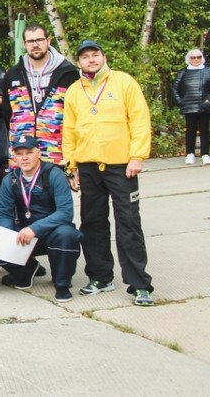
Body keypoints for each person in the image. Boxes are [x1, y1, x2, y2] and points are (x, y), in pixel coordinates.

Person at [63, 40, 155, 306]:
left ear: (103, 57)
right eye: (85, 57)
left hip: (121, 166)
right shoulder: (73, 91)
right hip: (88, 165)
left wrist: (137, 156)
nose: (90, 60)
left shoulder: (124, 82)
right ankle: (101, 277)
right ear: (78, 62)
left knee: (128, 223)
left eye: (95, 55)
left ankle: (139, 285)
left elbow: (139, 120)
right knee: (92, 222)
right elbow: (68, 130)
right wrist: (72, 165)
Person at [0, 134, 82, 302]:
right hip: (25, 235)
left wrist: (35, 229)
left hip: (52, 231)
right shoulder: (10, 179)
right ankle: (26, 273)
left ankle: (61, 284)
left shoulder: (54, 174)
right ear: (14, 157)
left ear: (38, 153)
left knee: (67, 235)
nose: (24, 158)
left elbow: (65, 212)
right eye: (19, 154)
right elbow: (4, 212)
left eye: (29, 152)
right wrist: (7, 236)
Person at [1, 23, 79, 166]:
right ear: (24, 44)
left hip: (56, 153)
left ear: (48, 41)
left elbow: (77, 114)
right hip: (22, 154)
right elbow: (7, 113)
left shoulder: (68, 73)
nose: (35, 45)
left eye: (39, 40)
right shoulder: (12, 75)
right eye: (30, 41)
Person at [173, 48, 210, 165]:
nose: (196, 59)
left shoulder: (209, 71)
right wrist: (180, 102)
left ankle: (205, 155)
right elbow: (175, 88)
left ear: (202, 58)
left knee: (205, 131)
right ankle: (190, 154)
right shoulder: (182, 72)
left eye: (199, 57)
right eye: (193, 57)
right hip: (189, 106)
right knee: (190, 131)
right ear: (189, 59)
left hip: (205, 106)